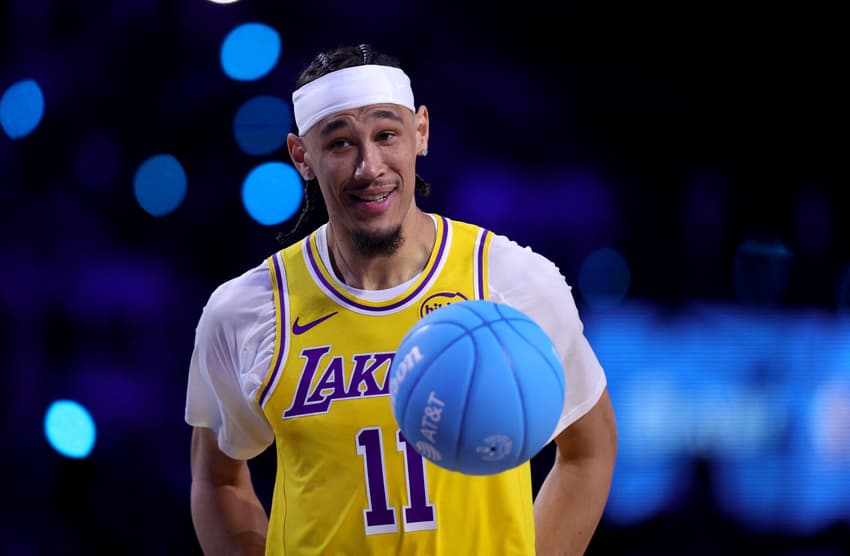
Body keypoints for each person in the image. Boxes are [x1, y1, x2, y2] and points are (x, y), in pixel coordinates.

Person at [186, 43, 617, 556]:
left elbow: (590, 449)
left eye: (387, 135)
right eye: (341, 143)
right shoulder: (245, 310)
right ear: (302, 156)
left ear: (421, 133)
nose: (370, 167)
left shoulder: (510, 281)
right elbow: (218, 481)